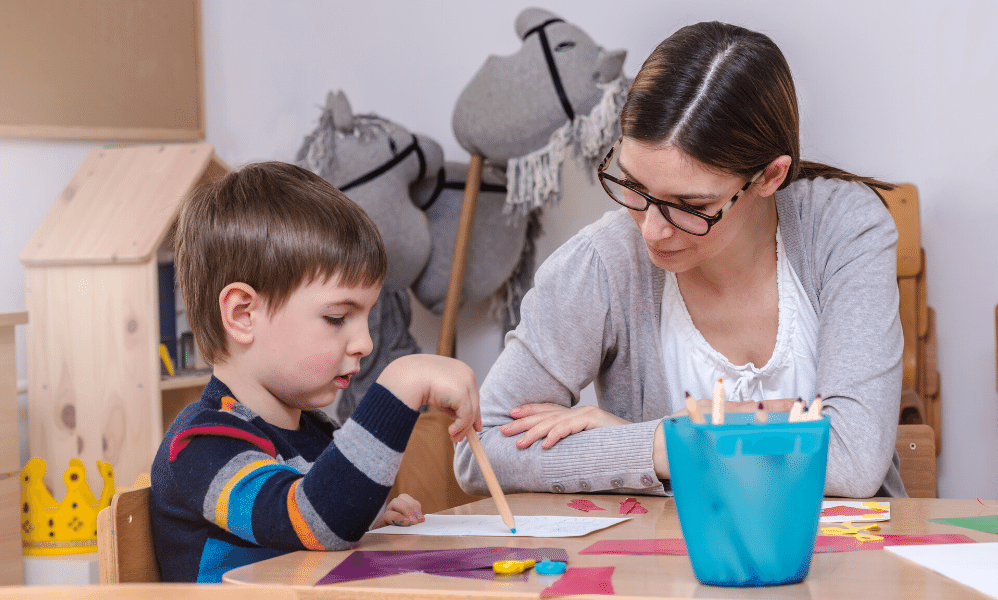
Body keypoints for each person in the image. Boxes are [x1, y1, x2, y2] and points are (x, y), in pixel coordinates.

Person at [454, 21, 906, 499]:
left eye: (690, 206)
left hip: (849, 564)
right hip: (666, 567)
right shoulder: (604, 261)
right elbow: (481, 450)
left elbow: (853, 458)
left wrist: (677, 437)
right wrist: (659, 446)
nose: (652, 229)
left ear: (769, 176)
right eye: (633, 187)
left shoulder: (842, 225)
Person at [150, 161, 481, 582]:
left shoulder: (317, 434)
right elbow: (310, 518)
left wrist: (367, 518)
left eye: (366, 316)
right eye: (337, 317)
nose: (365, 342)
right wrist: (400, 384)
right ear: (243, 314)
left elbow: (315, 530)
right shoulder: (201, 444)